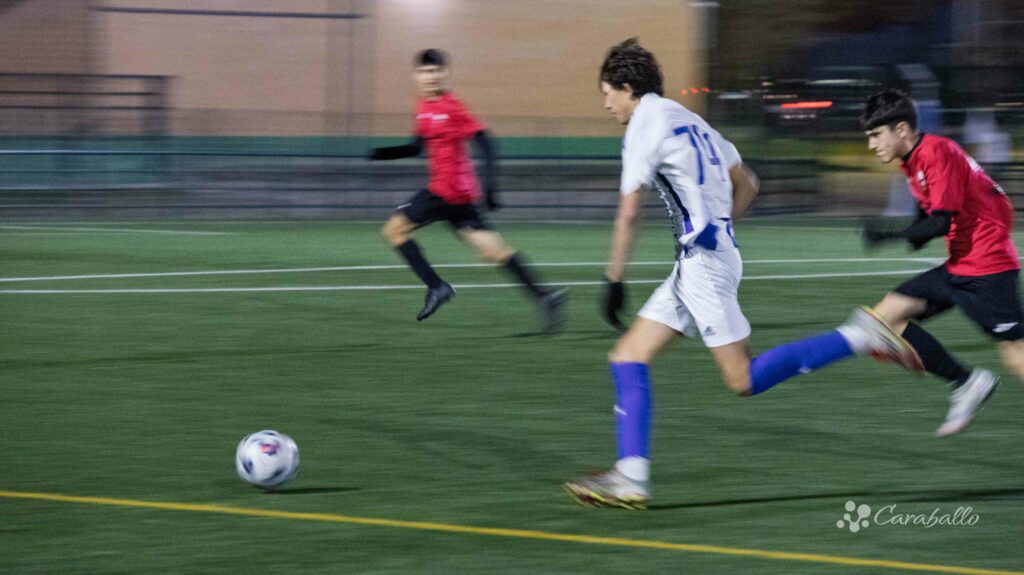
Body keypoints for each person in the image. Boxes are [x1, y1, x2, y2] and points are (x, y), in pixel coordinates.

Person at [564, 39, 923, 510]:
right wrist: (721, 227)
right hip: (705, 260)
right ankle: (630, 477)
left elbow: (629, 213)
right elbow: (748, 183)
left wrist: (614, 279)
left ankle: (861, 336)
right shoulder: (691, 120)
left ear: (627, 87)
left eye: (607, 93)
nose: (607, 104)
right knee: (628, 355)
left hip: (703, 268)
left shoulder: (642, 127)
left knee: (743, 379)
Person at [860, 89, 1023, 434]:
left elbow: (941, 222)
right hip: (960, 264)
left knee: (1017, 355)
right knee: (885, 318)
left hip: (988, 268)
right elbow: (930, 218)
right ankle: (966, 383)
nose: (871, 144)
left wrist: (890, 235)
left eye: (876, 134)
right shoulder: (912, 161)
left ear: (900, 129)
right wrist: (913, 236)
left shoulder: (937, 152)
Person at [370, 49, 565, 332]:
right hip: (459, 198)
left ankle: (437, 287)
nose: (431, 77)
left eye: (436, 71)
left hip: (445, 192)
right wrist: (381, 154)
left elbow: (487, 143)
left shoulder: (453, 107)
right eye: (425, 71)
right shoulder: (422, 106)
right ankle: (546, 296)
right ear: (416, 76)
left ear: (445, 74)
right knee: (494, 251)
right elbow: (416, 147)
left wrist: (491, 187)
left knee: (394, 231)